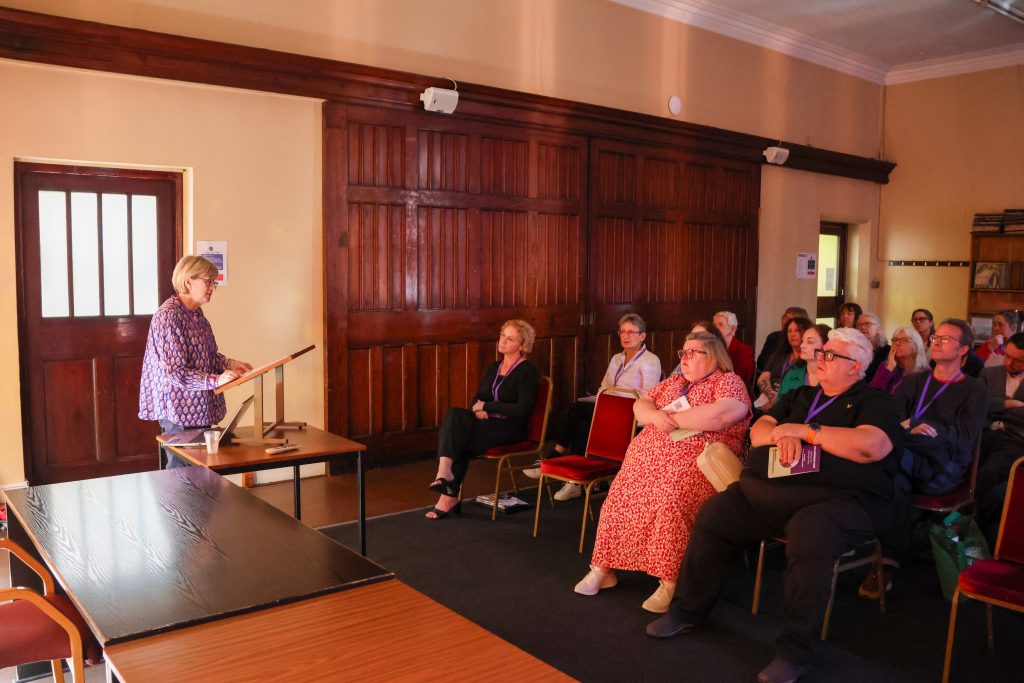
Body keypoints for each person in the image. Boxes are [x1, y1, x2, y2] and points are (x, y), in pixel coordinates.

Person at [646, 328, 903, 683]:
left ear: (856, 367)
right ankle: (688, 610)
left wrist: (806, 432)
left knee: (811, 534)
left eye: (830, 355)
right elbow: (759, 430)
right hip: (774, 490)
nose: (820, 358)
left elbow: (870, 446)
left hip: (840, 500)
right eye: (821, 352)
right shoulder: (801, 395)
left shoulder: (875, 401)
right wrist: (783, 433)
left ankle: (795, 651)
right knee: (717, 512)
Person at [573, 332, 750, 613]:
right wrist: (655, 416)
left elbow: (721, 415)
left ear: (713, 356)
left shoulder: (728, 382)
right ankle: (603, 569)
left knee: (670, 501)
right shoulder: (675, 381)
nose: (684, 358)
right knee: (618, 497)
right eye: (683, 352)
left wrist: (668, 419)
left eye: (692, 352)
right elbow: (640, 406)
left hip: (697, 462)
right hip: (647, 462)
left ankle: (670, 581)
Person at [524, 313, 662, 501]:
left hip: (631, 414)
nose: (626, 336)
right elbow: (604, 387)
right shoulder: (617, 358)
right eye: (622, 332)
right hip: (608, 408)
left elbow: (648, 395)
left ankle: (553, 457)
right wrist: (606, 399)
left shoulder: (650, 360)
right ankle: (575, 482)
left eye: (631, 332)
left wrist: (615, 399)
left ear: (642, 336)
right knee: (582, 424)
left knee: (576, 409)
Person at [139, 255, 252, 469]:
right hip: (179, 408)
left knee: (201, 470)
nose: (213, 287)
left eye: (214, 282)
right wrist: (216, 380)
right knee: (182, 472)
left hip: (199, 405)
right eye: (208, 281)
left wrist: (230, 364)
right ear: (188, 281)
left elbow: (209, 355)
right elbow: (175, 372)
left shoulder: (196, 314)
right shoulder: (168, 316)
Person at [426, 319, 540, 519]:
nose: (503, 341)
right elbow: (478, 398)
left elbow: (521, 410)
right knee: (454, 414)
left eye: (510, 338)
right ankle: (444, 474)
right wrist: (477, 410)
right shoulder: (495, 367)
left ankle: (448, 494)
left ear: (522, 345)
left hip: (510, 426)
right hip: (486, 421)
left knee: (460, 438)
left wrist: (487, 406)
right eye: (502, 335)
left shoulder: (528, 371)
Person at [893, 319, 987, 496]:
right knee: (886, 477)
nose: (935, 342)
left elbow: (963, 438)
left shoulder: (975, 391)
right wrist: (912, 428)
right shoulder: (914, 381)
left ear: (963, 349)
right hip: (908, 451)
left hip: (944, 465)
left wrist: (915, 425)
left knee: (888, 473)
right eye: (935, 337)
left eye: (945, 339)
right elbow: (894, 418)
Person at [976, 332, 1024, 543]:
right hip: (984, 433)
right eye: (1007, 356)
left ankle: (978, 527)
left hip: (1014, 440)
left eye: (1018, 360)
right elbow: (977, 404)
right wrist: (1008, 404)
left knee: (988, 473)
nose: (1009, 363)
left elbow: (987, 404)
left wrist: (994, 406)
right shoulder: (989, 373)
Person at [756, 316, 812, 410]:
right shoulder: (779, 354)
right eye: (789, 331)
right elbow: (762, 379)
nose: (792, 334)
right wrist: (772, 395)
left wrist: (779, 398)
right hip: (768, 399)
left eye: (797, 330)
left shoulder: (809, 359)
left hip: (792, 404)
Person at [868, 325, 929, 395]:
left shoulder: (924, 373)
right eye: (895, 340)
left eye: (904, 340)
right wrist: (889, 369)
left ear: (916, 346)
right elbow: (871, 393)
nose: (897, 343)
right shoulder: (885, 366)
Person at [776, 324, 830, 396]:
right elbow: (780, 402)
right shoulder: (791, 375)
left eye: (810, 342)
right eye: (802, 341)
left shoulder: (834, 379)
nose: (802, 346)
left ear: (826, 346)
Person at [756, 306, 809, 374]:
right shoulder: (773, 338)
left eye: (790, 320)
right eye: (785, 318)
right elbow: (761, 363)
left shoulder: (806, 350)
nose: (785, 321)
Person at [713, 311, 755, 389]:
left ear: (733, 329)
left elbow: (742, 378)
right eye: (714, 325)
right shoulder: (712, 348)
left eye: (721, 324)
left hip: (735, 389)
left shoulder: (745, 350)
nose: (715, 328)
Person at [857, 313, 889, 382]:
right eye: (859, 325)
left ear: (878, 329)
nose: (862, 327)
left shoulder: (888, 351)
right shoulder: (854, 349)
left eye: (867, 324)